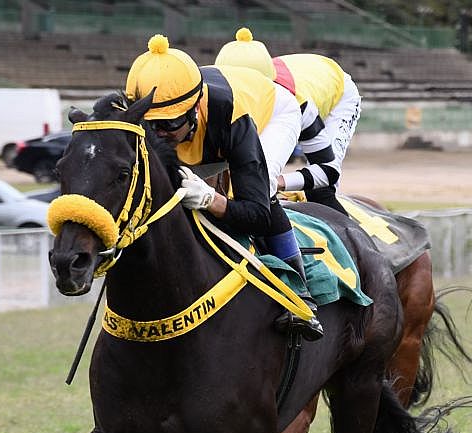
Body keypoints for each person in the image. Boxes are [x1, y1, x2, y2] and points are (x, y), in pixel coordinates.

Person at [126, 34, 324, 340]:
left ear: (194, 110)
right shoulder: (152, 122)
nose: (158, 134)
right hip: (215, 119)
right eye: (151, 125)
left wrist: (211, 200)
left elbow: (257, 214)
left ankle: (301, 294)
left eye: (168, 124)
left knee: (264, 190)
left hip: (271, 112)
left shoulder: (231, 117)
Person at [214, 28, 362, 215]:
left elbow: (328, 171)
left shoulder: (296, 104)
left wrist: (279, 182)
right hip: (303, 73)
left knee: (320, 193)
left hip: (338, 93)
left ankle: (352, 239)